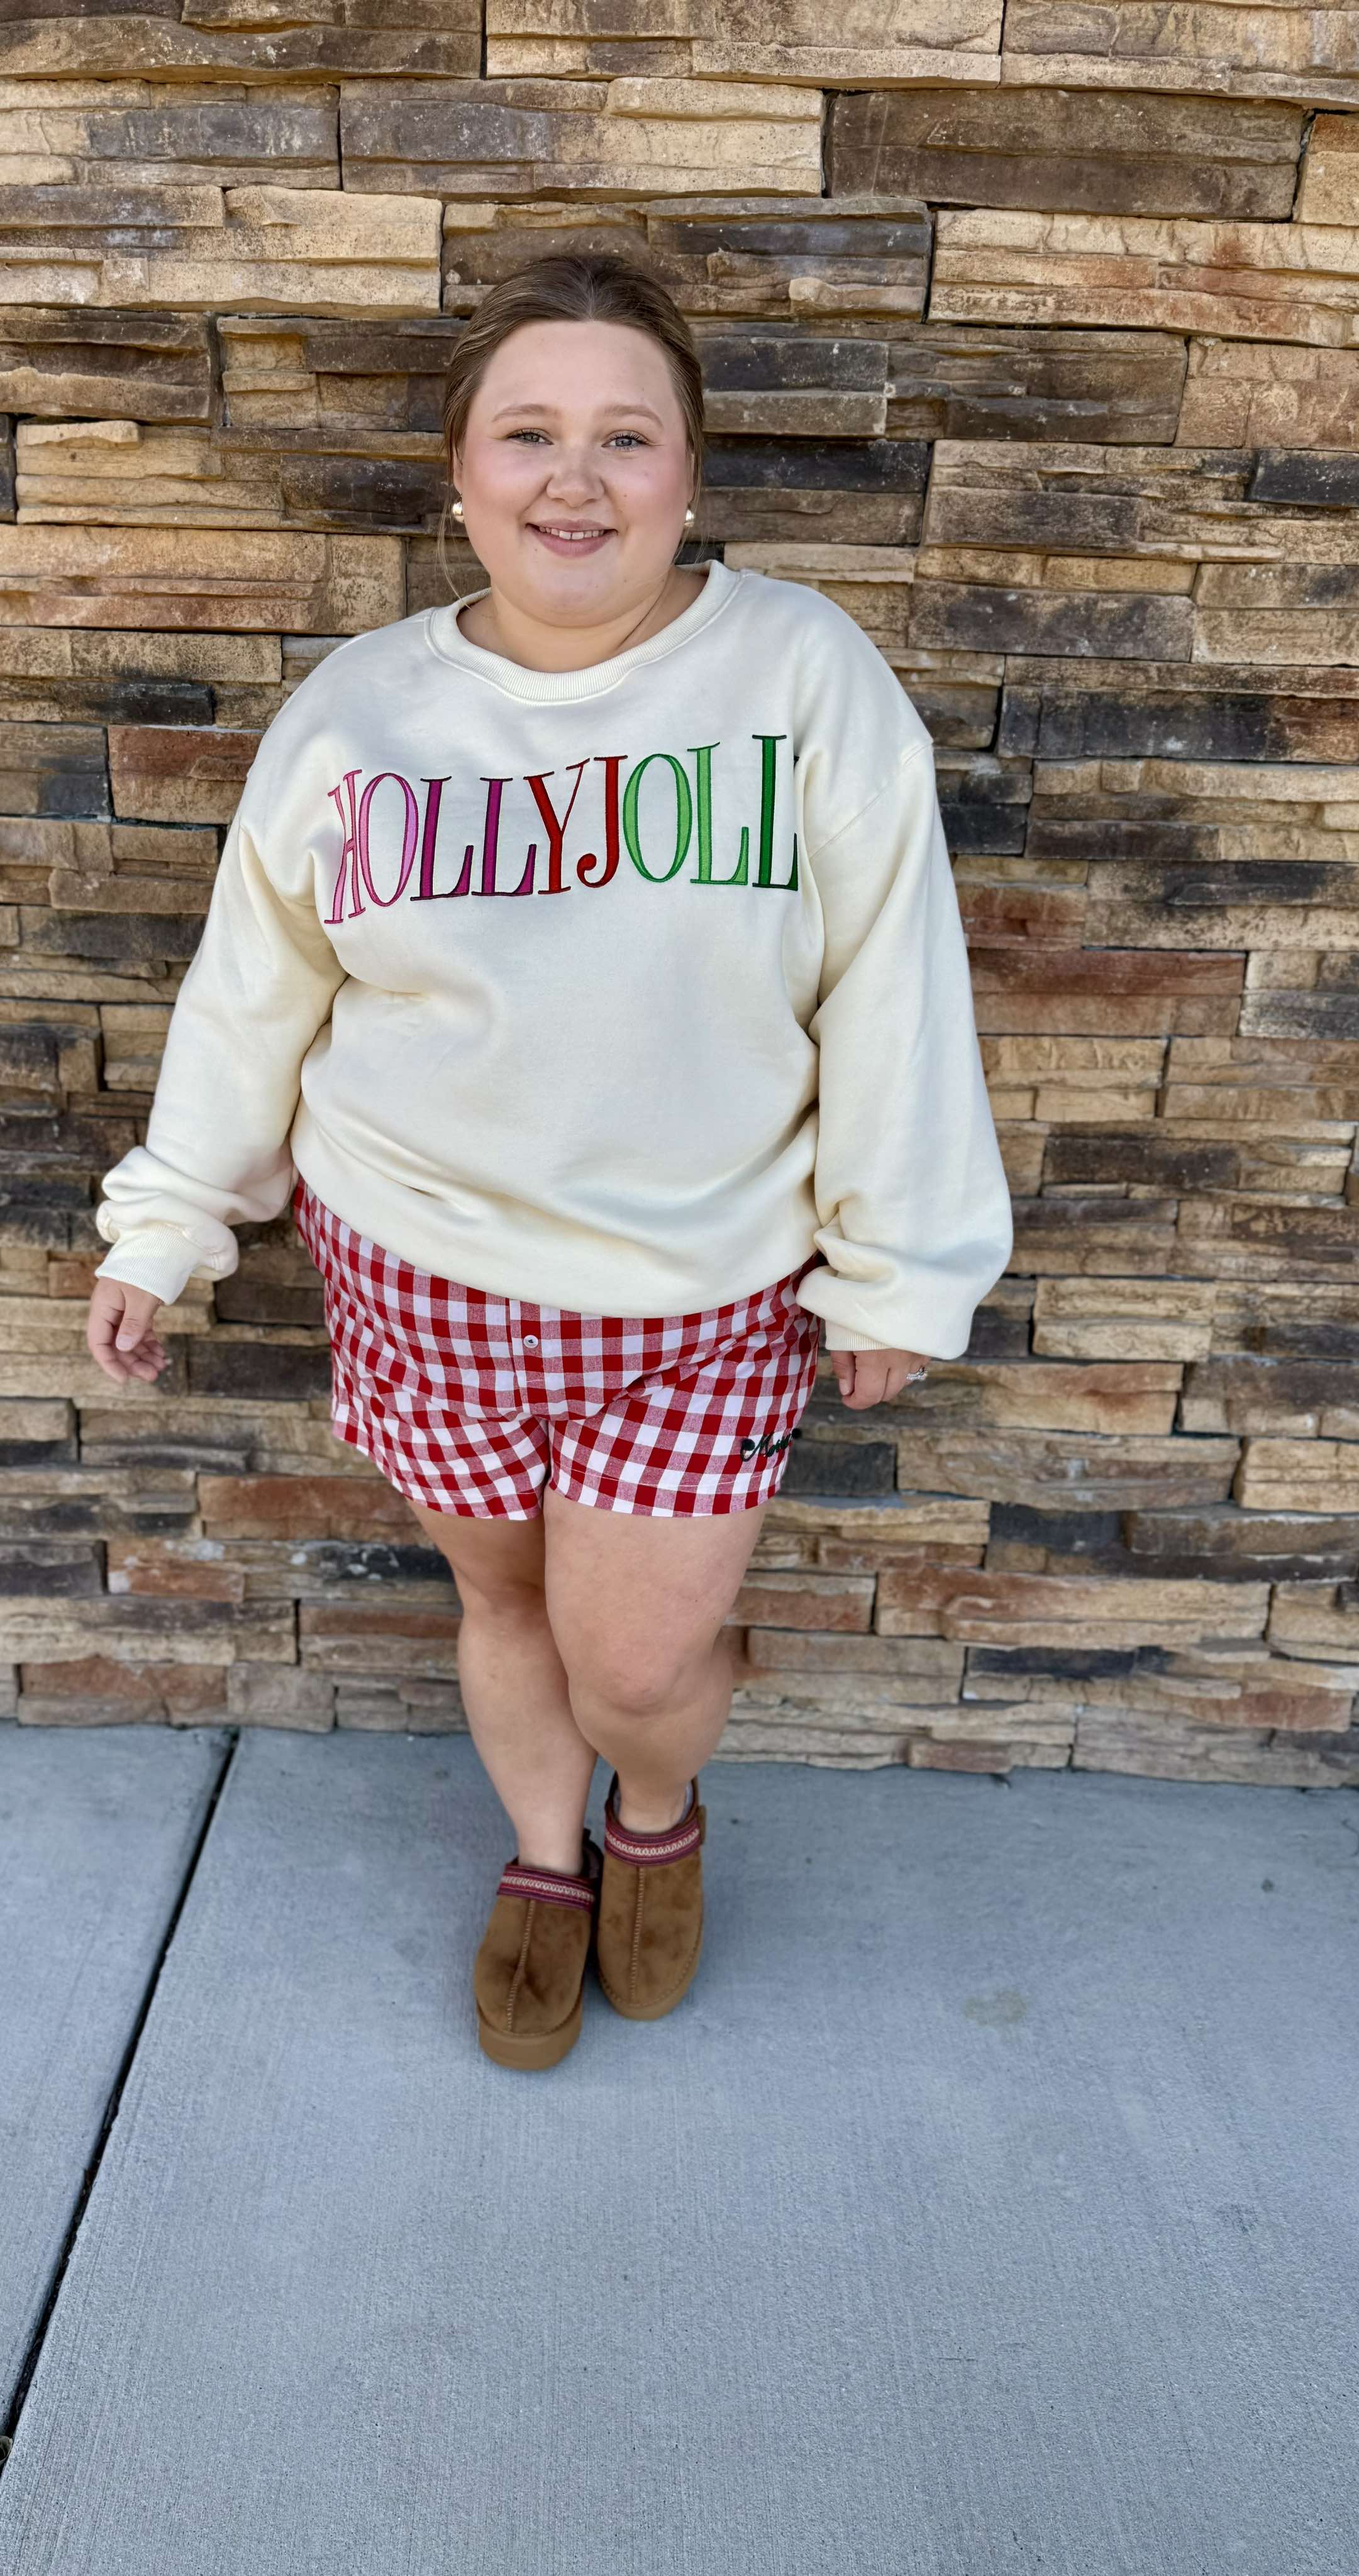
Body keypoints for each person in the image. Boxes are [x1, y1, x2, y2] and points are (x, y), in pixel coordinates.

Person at [83, 252, 1013, 2074]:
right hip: (418, 1269)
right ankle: (544, 1859)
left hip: (699, 1288)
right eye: (527, 434)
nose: (573, 479)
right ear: (461, 474)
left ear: (688, 472)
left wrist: (901, 1267)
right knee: (503, 1603)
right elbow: (253, 991)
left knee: (637, 1662)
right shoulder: (360, 711)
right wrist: (167, 1221)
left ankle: (652, 1811)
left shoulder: (798, 673)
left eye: (623, 437)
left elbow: (895, 982)